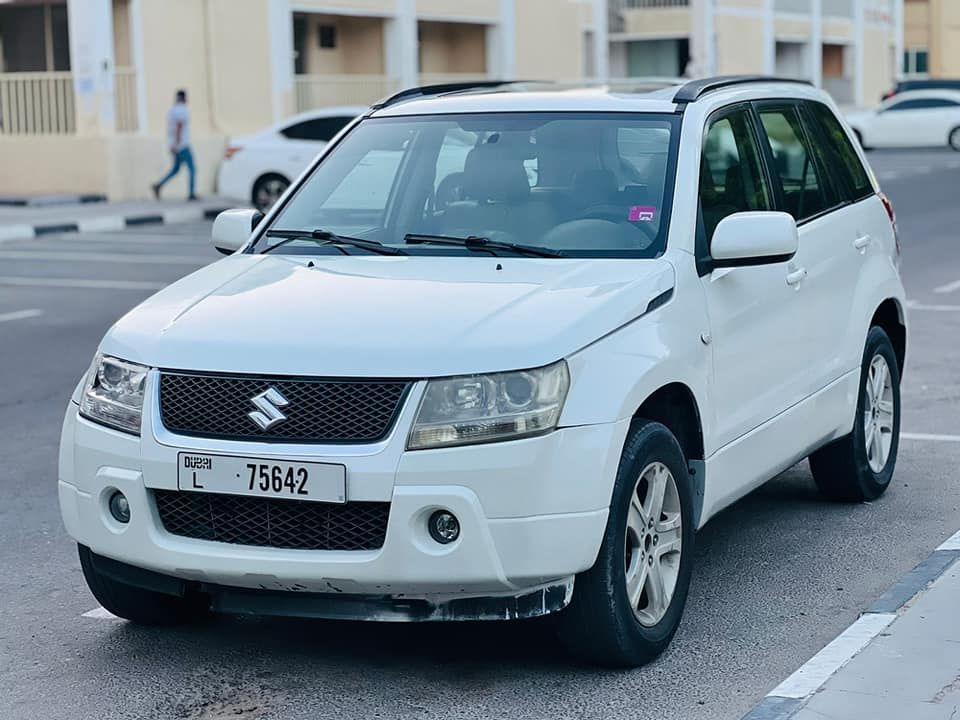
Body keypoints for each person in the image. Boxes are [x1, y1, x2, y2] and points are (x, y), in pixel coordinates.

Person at [152, 89, 196, 200]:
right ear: (183, 97)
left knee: (175, 170)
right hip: (182, 145)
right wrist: (177, 144)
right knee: (192, 169)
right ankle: (191, 193)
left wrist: (173, 145)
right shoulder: (183, 110)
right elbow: (179, 127)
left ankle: (159, 185)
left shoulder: (172, 110)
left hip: (174, 144)